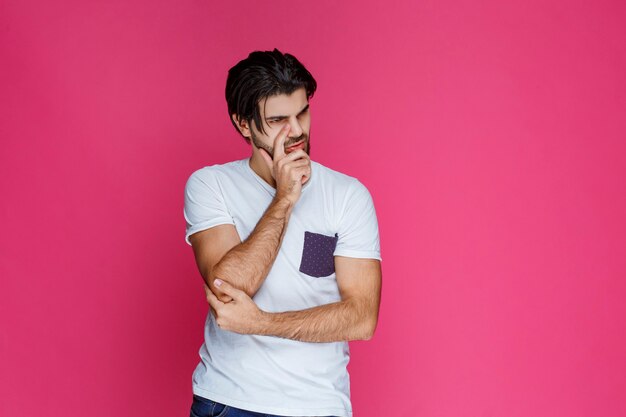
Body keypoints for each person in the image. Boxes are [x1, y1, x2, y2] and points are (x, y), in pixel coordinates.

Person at [184, 48, 382, 417]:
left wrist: (262, 323)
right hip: (231, 402)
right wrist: (285, 198)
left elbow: (361, 318)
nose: (298, 131)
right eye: (278, 120)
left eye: (302, 112)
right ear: (244, 124)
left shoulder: (348, 195)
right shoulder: (211, 186)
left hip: (319, 406)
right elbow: (230, 288)